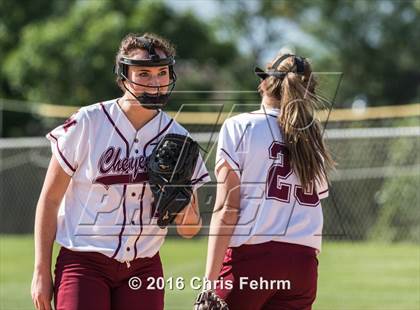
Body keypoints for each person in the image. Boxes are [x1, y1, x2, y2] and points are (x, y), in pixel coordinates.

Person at [31, 33, 211, 310]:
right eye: (144, 73)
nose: (155, 82)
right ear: (123, 76)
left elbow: (190, 229)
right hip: (84, 261)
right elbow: (50, 199)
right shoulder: (89, 122)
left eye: (162, 72)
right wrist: (41, 270)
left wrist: (180, 193)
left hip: (144, 267)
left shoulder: (178, 139)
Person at [203, 53, 335, 309]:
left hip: (253, 258)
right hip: (303, 264)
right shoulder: (312, 137)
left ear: (265, 83)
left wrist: (208, 282)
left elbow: (227, 210)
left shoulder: (240, 126)